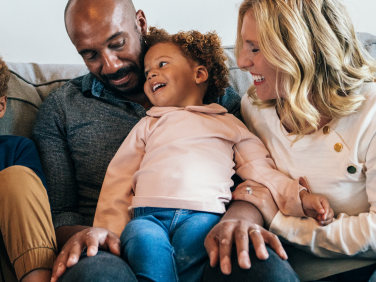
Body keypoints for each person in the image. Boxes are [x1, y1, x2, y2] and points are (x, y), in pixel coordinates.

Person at [93, 27, 333, 282]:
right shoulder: (148, 124)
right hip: (147, 217)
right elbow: (117, 181)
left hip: (203, 218)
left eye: (162, 64)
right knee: (139, 236)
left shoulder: (228, 124)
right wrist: (104, 233)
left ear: (199, 74)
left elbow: (260, 170)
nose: (152, 73)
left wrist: (300, 198)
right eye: (147, 72)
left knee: (198, 256)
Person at [31, 0, 247, 281]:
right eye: (90, 55)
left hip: (207, 232)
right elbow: (60, 213)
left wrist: (240, 220)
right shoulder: (62, 109)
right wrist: (88, 234)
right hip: (111, 249)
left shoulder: (205, 88)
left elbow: (252, 175)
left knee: (262, 264)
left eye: (117, 43)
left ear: (141, 24)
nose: (110, 65)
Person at [203, 0, 376, 281]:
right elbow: (256, 184)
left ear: (302, 50)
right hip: (283, 269)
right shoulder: (256, 107)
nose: (243, 62)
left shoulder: (371, 111)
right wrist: (242, 217)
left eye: (255, 48)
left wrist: (281, 222)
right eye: (243, 47)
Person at [0, 58, 57, 282]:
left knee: (18, 177)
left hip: (14, 260)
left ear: (1, 106)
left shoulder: (17, 149)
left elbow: (32, 213)